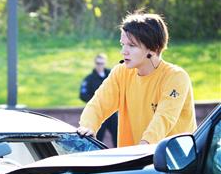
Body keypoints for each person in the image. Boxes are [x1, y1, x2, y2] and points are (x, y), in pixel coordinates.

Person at [77, 10, 196, 147]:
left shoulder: (176, 77)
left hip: (176, 163)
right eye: (123, 44)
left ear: (153, 48)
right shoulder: (121, 73)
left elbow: (164, 118)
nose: (123, 51)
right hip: (134, 160)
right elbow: (98, 104)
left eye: (132, 45)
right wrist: (88, 126)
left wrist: (144, 146)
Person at [79, 53, 118, 147]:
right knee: (97, 137)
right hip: (98, 113)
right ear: (95, 63)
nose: (99, 65)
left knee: (118, 136)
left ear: (105, 63)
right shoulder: (89, 79)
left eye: (102, 63)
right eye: (98, 63)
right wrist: (96, 102)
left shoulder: (111, 75)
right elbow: (83, 94)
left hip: (112, 113)